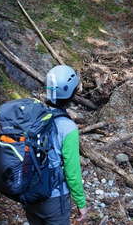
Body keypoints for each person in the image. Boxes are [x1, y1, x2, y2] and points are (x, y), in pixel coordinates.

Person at [25, 65, 88, 224]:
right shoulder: (68, 128)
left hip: (29, 193)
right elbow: (72, 172)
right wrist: (81, 203)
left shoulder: (34, 115)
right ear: (71, 94)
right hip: (53, 199)